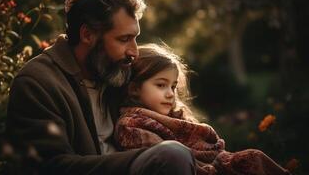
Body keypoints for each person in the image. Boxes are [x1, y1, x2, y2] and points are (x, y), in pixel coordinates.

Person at [6, 0, 197, 175]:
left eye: (135, 38)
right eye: (124, 39)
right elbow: (49, 166)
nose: (134, 51)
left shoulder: (117, 74)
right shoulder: (38, 82)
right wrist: (144, 159)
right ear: (88, 35)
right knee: (173, 154)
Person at [115, 43, 291, 175]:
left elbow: (213, 154)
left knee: (254, 157)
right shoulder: (133, 125)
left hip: (217, 166)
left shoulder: (177, 119)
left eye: (174, 86)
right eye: (161, 85)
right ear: (135, 89)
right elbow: (169, 164)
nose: (170, 94)